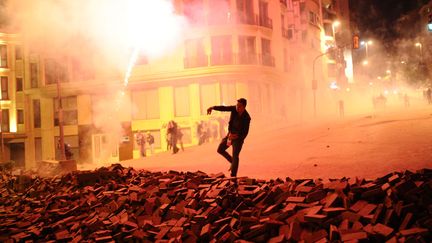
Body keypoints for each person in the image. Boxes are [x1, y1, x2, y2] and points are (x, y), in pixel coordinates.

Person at [207, 98, 251, 179]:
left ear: (244, 107)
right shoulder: (234, 109)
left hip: (238, 139)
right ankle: (232, 162)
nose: (237, 107)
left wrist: (237, 136)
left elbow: (245, 132)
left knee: (235, 155)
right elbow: (224, 108)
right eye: (237, 105)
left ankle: (233, 176)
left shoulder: (247, 117)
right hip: (230, 136)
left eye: (239, 106)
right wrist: (212, 107)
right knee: (220, 149)